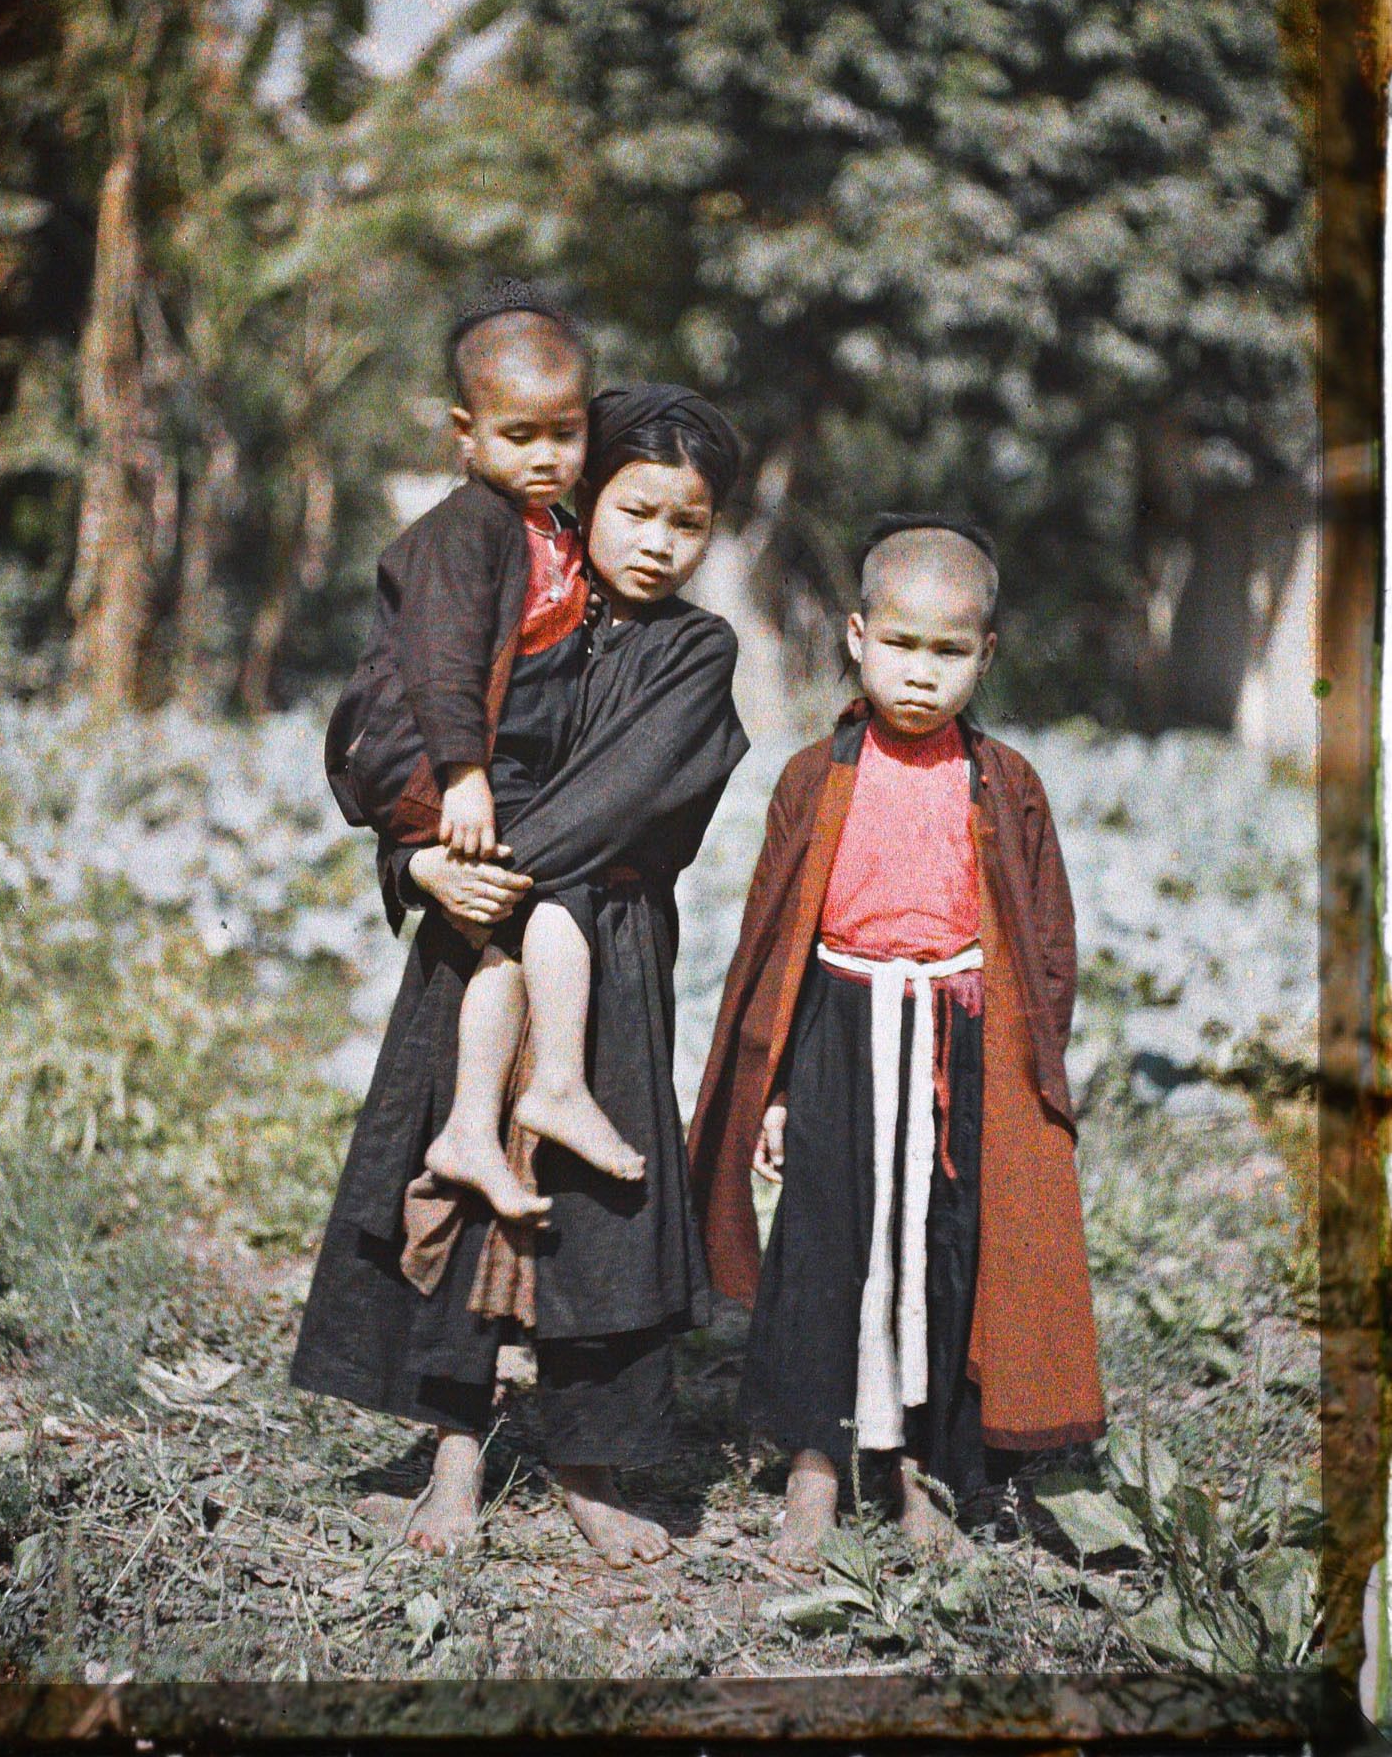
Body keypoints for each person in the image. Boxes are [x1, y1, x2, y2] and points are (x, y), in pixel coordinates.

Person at [292, 383, 749, 1566]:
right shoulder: (506, 603)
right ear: (584, 495)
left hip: (605, 946)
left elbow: (626, 798)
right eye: (635, 509)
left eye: (686, 523)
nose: (656, 542)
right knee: (460, 1183)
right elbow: (380, 720)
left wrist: (462, 864)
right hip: (476, 943)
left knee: (592, 1218)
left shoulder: (696, 650)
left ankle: (587, 1464)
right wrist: (413, 856)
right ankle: (454, 1457)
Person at [687, 512, 1105, 1571]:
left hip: (959, 1035)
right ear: (859, 637)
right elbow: (772, 943)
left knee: (944, 1240)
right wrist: (772, 1088)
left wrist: (1023, 1074)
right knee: (825, 1241)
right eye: (903, 644)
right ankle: (814, 1470)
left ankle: (918, 1468)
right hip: (840, 1022)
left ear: (985, 654)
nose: (921, 675)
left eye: (949, 651)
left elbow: (1044, 938)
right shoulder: (814, 776)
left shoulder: (1002, 782)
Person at [324, 279, 641, 1225]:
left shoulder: (548, 527)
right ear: (466, 433)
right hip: (435, 757)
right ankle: (551, 1085)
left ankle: (470, 1126)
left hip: (498, 762)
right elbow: (441, 665)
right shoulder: (463, 533)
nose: (548, 458)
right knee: (546, 901)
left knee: (500, 940)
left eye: (567, 434)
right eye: (520, 437)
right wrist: (462, 777)